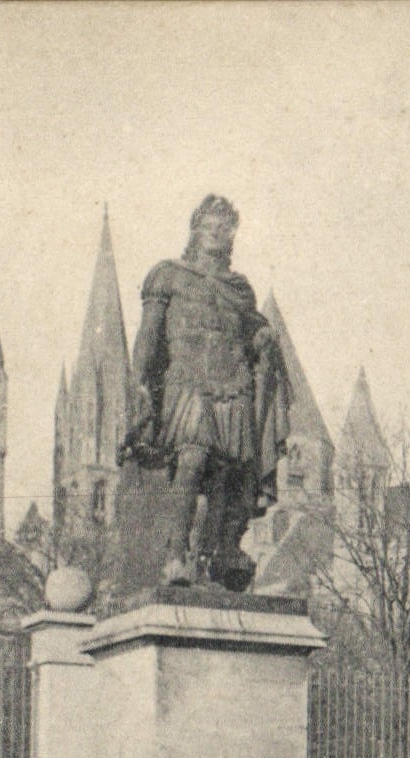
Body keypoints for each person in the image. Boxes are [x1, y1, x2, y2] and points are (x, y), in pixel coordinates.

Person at [121, 195, 288, 592]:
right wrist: (141, 383)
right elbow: (148, 337)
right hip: (188, 382)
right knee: (192, 459)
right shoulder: (168, 275)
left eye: (226, 228)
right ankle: (175, 555)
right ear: (196, 230)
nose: (219, 234)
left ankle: (217, 554)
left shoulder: (240, 290)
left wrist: (262, 336)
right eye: (212, 226)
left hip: (233, 386)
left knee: (228, 473)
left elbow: (251, 334)